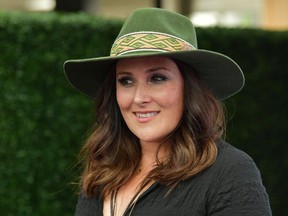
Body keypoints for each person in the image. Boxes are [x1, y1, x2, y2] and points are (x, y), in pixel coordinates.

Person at [64, 7, 272, 216]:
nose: (139, 98)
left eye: (157, 78)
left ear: (189, 88)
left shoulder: (230, 173)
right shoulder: (104, 169)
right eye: (126, 81)